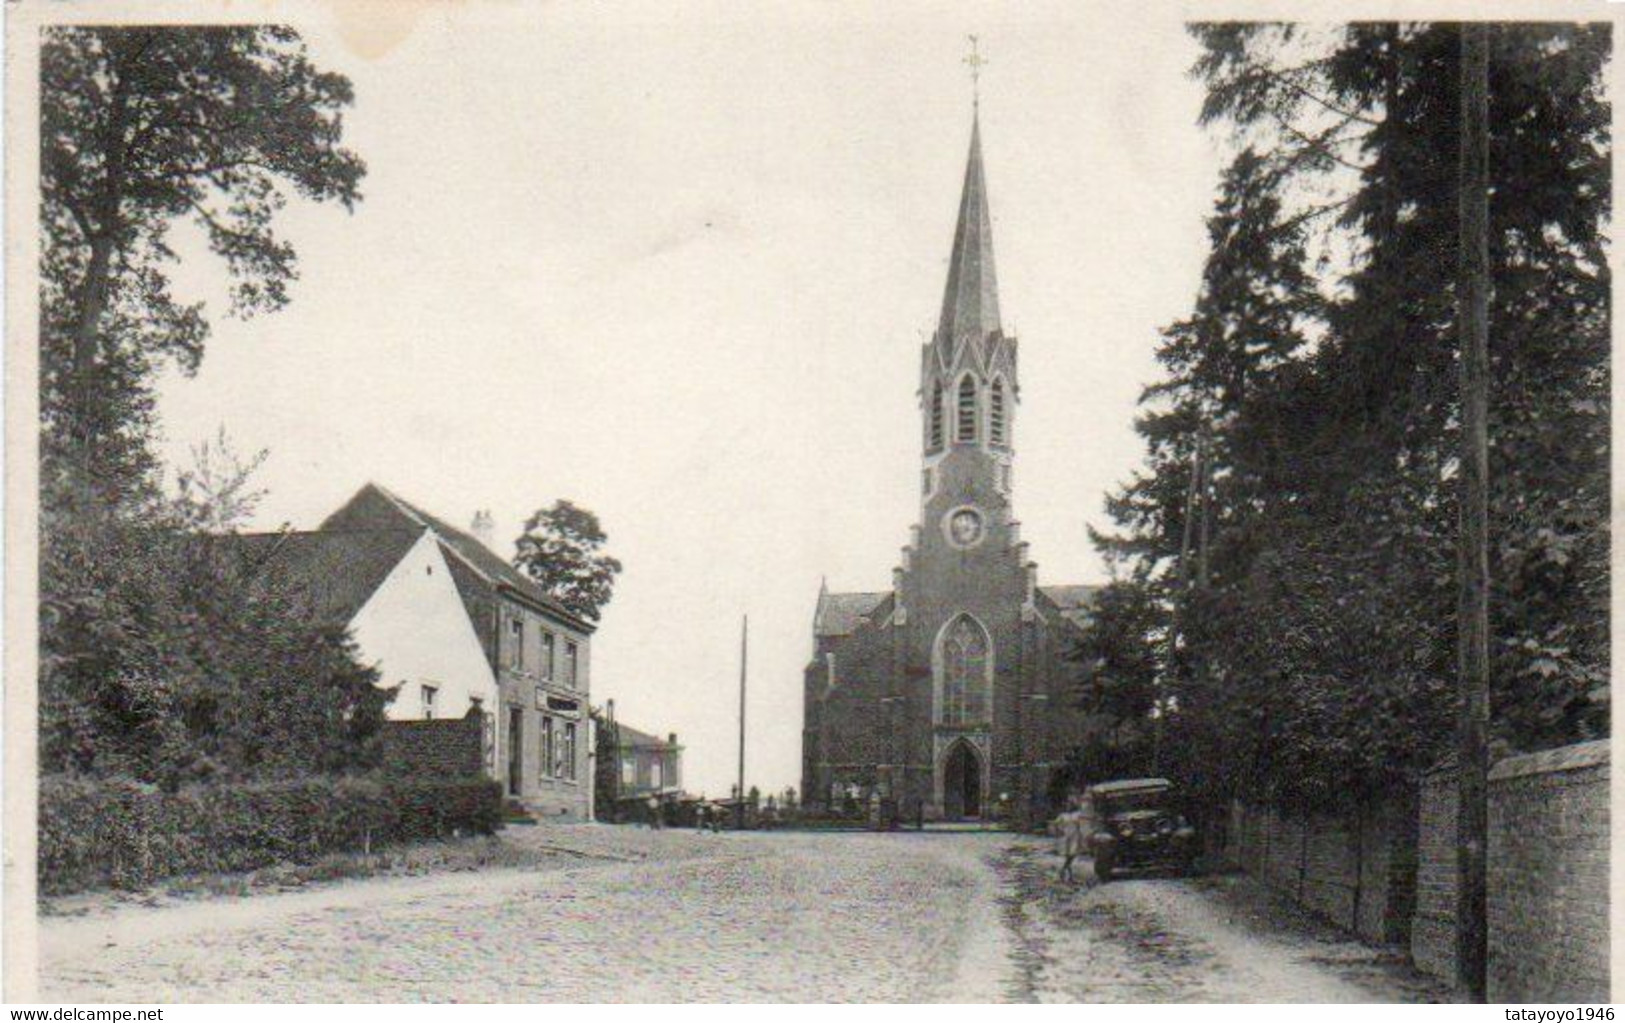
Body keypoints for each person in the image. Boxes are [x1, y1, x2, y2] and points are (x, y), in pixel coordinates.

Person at [1056, 793, 1090, 885]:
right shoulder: (1063, 816)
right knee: (1069, 856)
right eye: (1068, 804)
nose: (1069, 806)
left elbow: (1082, 823)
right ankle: (1065, 873)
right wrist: (1060, 831)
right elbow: (1057, 825)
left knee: (1072, 855)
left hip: (1075, 836)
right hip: (1066, 837)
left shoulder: (1077, 815)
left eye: (1071, 804)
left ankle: (1065, 873)